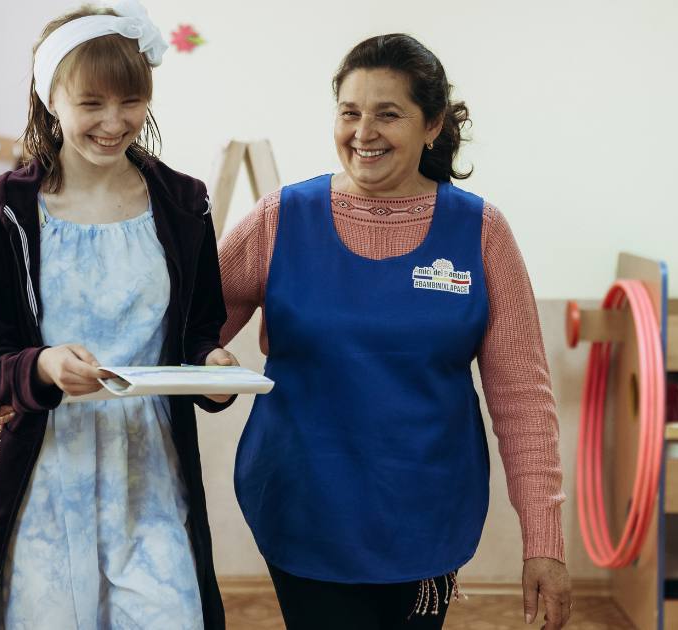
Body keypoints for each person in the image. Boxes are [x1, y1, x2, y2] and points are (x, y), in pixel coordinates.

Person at [217, 34, 572, 629]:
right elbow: (189, 330)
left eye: (388, 114)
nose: (363, 132)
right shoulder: (280, 218)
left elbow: (523, 399)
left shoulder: (481, 231)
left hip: (427, 516)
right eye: (349, 112)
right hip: (302, 507)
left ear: (432, 125)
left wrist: (544, 540)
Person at [0, 2, 238, 628]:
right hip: (47, 471)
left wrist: (214, 368)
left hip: (152, 471)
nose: (115, 122)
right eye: (91, 103)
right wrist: (42, 366)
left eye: (131, 100)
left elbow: (198, 332)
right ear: (50, 99)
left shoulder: (184, 204)